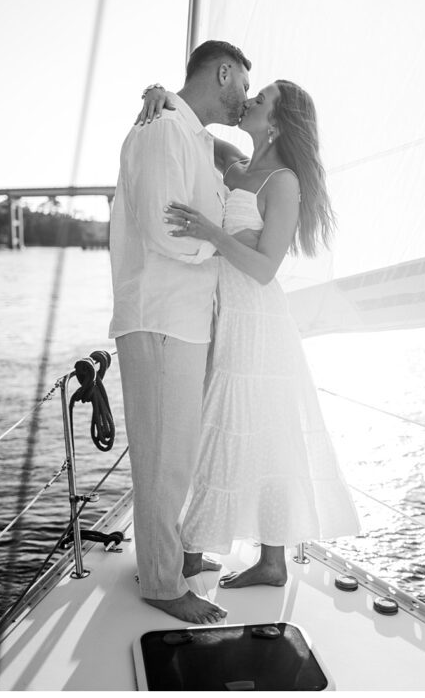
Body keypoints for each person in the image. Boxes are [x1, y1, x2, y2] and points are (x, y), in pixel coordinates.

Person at [138, 72, 361, 591]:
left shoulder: (283, 181)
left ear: (278, 122)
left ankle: (214, 553)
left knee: (243, 427)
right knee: (234, 426)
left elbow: (265, 267)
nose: (248, 101)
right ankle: (245, 556)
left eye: (260, 100)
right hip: (221, 311)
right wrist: (162, 94)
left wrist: (211, 232)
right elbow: (195, 127)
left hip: (257, 320)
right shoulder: (237, 165)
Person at [110, 39, 251, 624]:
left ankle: (167, 560)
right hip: (161, 316)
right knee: (164, 455)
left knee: (178, 452)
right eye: (243, 83)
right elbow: (162, 229)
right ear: (223, 74)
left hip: (184, 319)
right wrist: (217, 246)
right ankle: (163, 586)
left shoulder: (187, 133)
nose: (245, 97)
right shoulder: (164, 133)